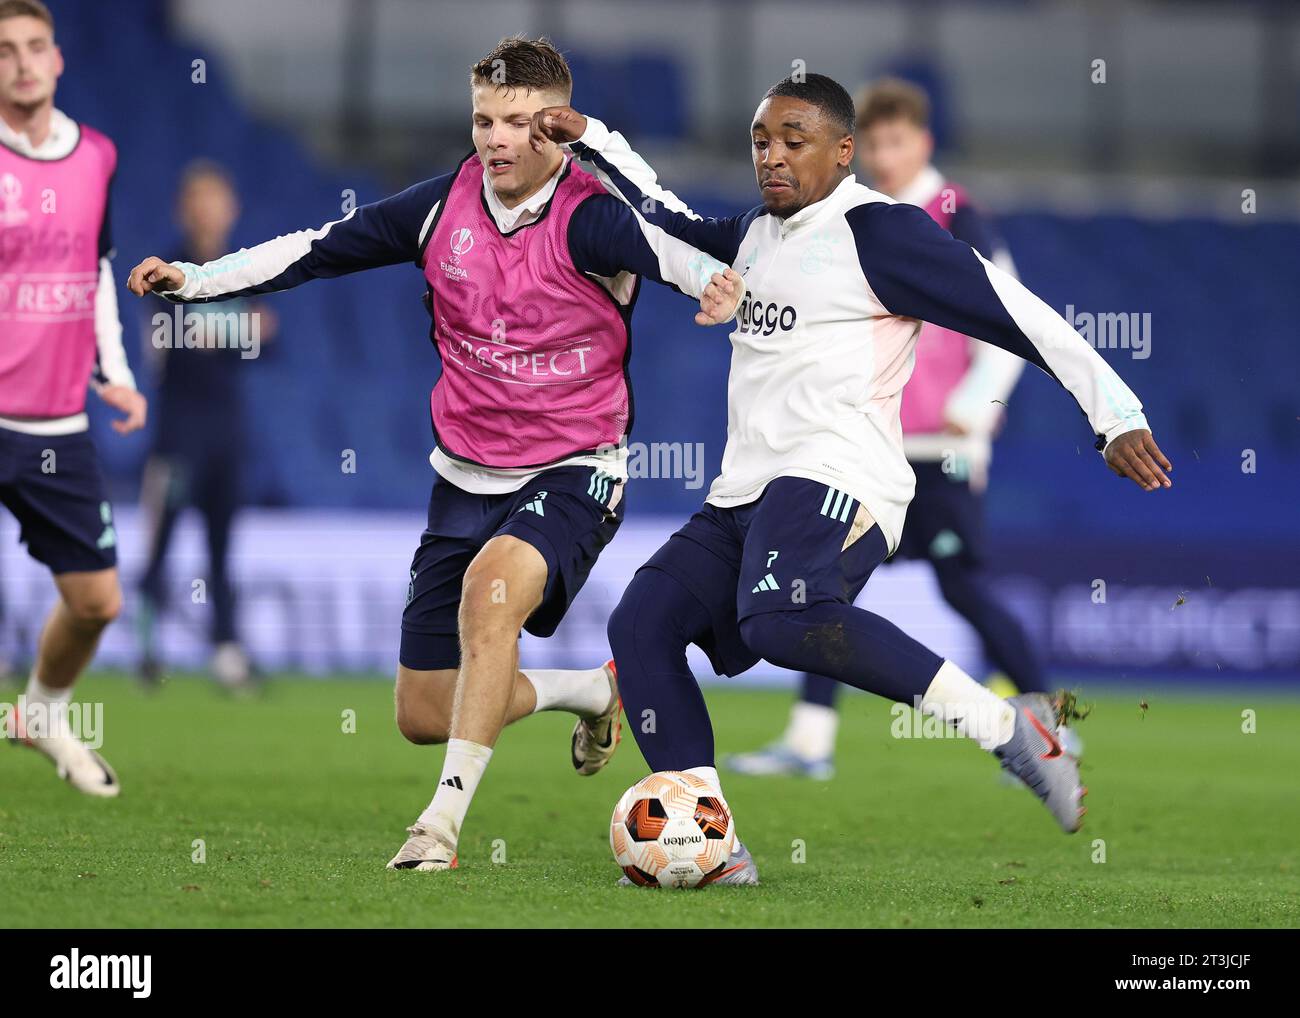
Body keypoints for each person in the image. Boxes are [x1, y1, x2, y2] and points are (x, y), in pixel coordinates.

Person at [127, 36, 745, 873]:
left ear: (556, 130)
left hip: (574, 470)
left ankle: (439, 830)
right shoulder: (437, 208)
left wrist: (718, 283)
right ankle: (593, 690)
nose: (495, 137)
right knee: (423, 712)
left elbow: (684, 250)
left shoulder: (593, 217)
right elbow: (315, 249)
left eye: (519, 122)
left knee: (492, 605)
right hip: (462, 477)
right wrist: (197, 281)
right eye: (484, 118)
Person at [534, 72, 1171, 884]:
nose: (772, 156)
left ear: (843, 152)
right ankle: (712, 842)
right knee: (642, 626)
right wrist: (589, 135)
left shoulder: (881, 231)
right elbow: (659, 214)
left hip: (842, 475)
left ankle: (1010, 731)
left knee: (778, 619)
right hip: (746, 488)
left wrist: (1112, 412)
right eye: (761, 140)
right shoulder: (756, 237)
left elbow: (1017, 311)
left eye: (793, 141)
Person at [725, 77, 1062, 781]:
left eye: (897, 142)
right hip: (863, 444)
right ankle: (810, 742)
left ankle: (1048, 729)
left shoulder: (953, 214)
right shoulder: (854, 214)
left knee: (961, 585)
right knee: (820, 596)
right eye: (875, 143)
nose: (886, 155)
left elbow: (1010, 314)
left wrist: (976, 402)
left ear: (924, 143)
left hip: (940, 445)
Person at [0, 0, 147, 796]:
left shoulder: (96, 155)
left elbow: (96, 269)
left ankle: (40, 710)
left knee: (96, 602)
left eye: (34, 47)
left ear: (57, 60)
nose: (21, 62)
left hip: (57, 420)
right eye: (4, 51)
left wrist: (113, 371)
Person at [135, 161, 267, 690]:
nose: (209, 212)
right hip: (177, 431)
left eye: (217, 200)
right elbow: (173, 339)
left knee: (221, 544)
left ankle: (225, 649)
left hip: (227, 428)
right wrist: (236, 330)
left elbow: (268, 340)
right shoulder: (165, 268)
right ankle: (146, 650)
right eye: (199, 201)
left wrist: (222, 331)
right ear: (184, 208)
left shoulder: (245, 268)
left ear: (231, 208)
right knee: (162, 540)